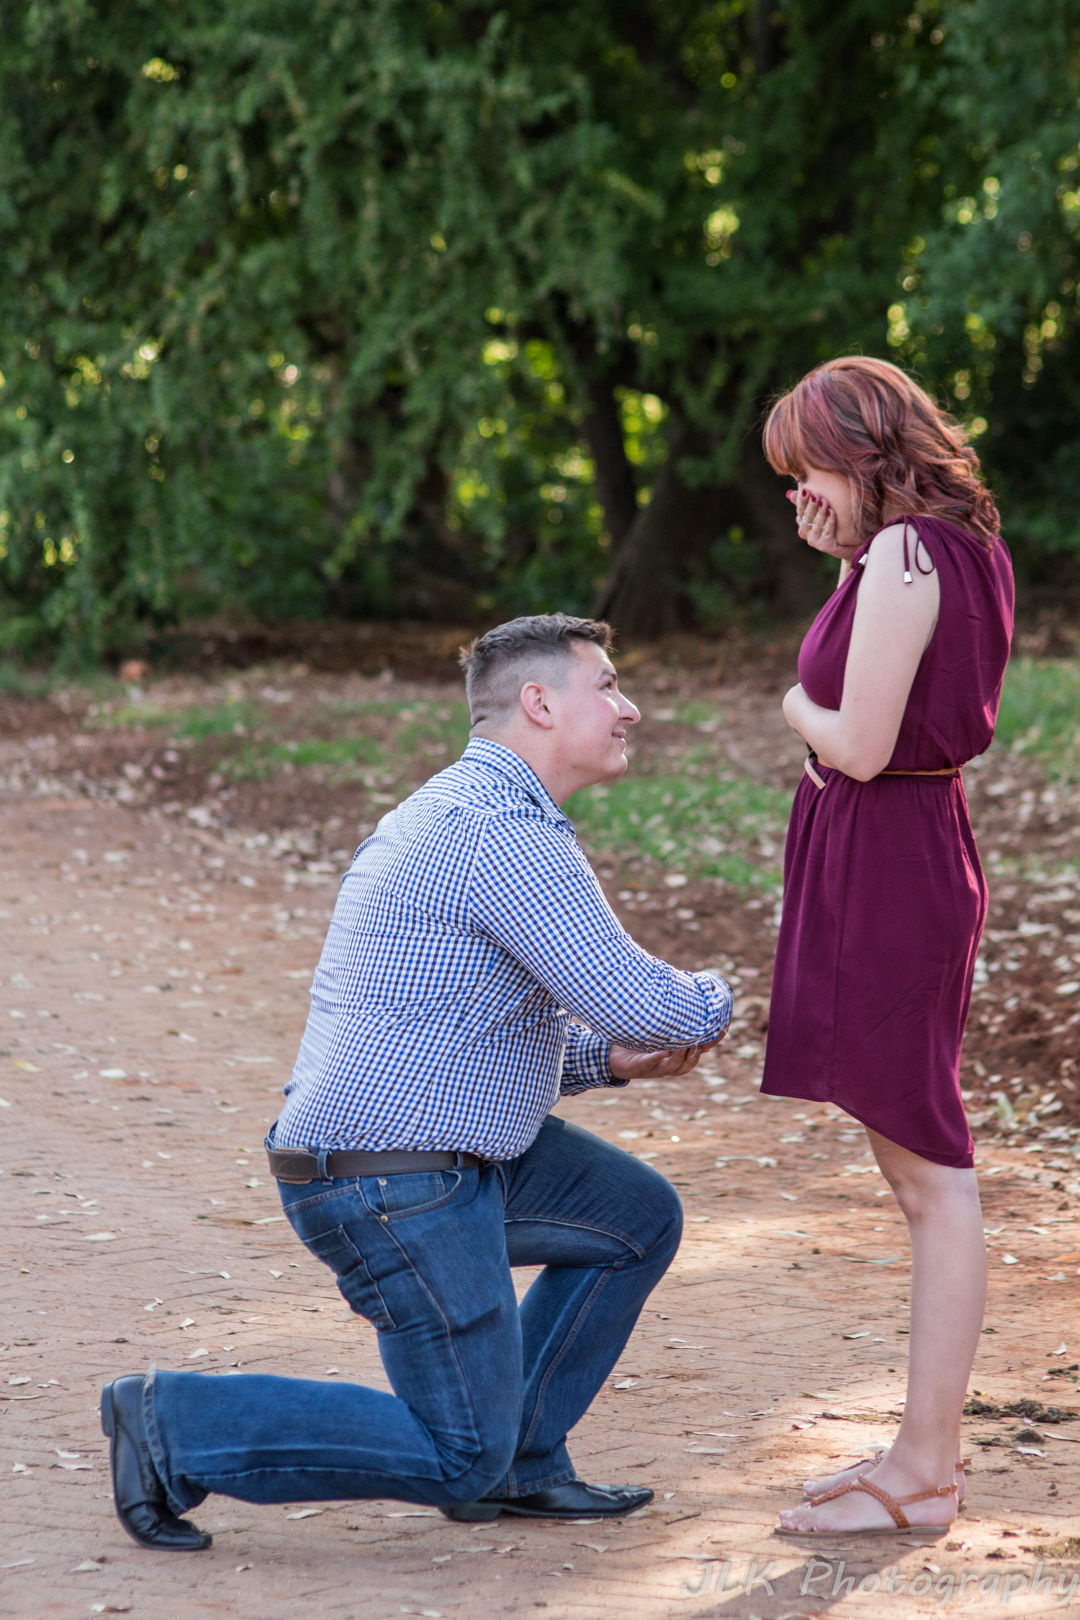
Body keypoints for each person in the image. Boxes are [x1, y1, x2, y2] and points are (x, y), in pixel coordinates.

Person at [101, 613, 732, 1551]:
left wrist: (604, 1060)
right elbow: (651, 1006)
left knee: (634, 1216)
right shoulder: (501, 832)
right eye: (607, 686)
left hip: (424, 1155)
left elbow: (468, 1038)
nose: (628, 707)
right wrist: (733, 993)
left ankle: (525, 1459)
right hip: (392, 1185)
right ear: (539, 702)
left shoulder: (460, 812)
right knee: (455, 1455)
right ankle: (173, 1423)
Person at [758, 357, 1013, 1536]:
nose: (799, 493)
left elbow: (856, 738)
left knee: (929, 1169)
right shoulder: (917, 552)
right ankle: (918, 1458)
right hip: (896, 853)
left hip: (894, 861)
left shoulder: (912, 555)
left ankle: (924, 1472)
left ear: (856, 454)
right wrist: (846, 562)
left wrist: (793, 712)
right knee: (919, 1167)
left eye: (807, 469)